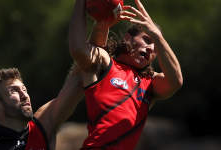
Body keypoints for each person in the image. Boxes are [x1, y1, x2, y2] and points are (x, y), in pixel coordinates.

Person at [68, 0, 183, 149]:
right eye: (147, 40)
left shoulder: (149, 83)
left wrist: (157, 35)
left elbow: (175, 82)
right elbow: (80, 49)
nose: (151, 49)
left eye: (156, 47)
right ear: (128, 38)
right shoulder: (107, 64)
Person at [0, 67, 83, 150]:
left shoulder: (43, 127)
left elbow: (78, 80)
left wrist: (102, 26)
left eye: (24, 89)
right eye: (14, 91)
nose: (24, 95)